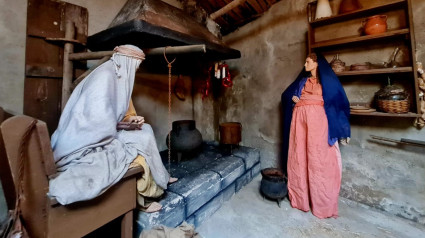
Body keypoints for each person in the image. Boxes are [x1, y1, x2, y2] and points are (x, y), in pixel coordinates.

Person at [49, 45, 176, 212]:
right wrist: (125, 126)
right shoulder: (105, 76)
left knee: (145, 130)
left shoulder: (117, 75)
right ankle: (142, 202)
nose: (136, 70)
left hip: (103, 130)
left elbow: (110, 117)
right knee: (140, 142)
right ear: (127, 60)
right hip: (86, 139)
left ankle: (162, 178)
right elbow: (97, 123)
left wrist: (130, 121)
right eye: (136, 65)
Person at [281, 52, 350, 218]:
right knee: (300, 158)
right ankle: (302, 199)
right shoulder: (303, 82)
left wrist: (342, 130)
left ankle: (322, 204)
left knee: (319, 160)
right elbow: (286, 96)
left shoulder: (327, 83)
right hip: (300, 123)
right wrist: (294, 99)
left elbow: (339, 103)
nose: (305, 65)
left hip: (319, 125)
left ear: (317, 64)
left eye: (308, 62)